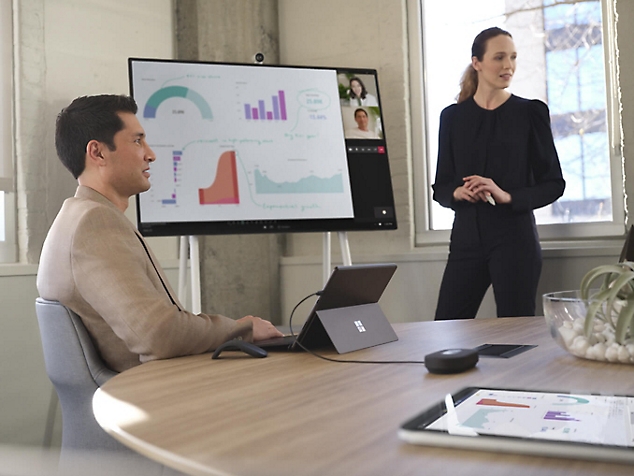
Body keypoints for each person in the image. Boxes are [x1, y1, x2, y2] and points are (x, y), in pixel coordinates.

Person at [37, 95, 283, 372]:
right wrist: (241, 329)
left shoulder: (79, 216)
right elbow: (157, 335)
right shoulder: (95, 223)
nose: (150, 154)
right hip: (152, 394)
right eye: (137, 141)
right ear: (98, 152)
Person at [432, 27, 565, 321]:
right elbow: (441, 187)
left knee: (515, 334)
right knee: (445, 328)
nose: (509, 66)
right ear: (476, 62)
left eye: (513, 58)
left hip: (514, 240)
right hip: (466, 237)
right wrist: (457, 192)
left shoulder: (531, 112)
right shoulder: (452, 118)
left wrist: (507, 195)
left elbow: (554, 184)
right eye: (500, 57)